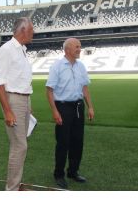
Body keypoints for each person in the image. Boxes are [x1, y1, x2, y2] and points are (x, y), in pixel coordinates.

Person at [46, 38, 94, 189]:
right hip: (63, 107)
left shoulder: (81, 66)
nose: (80, 49)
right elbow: (49, 90)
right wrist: (54, 111)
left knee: (77, 142)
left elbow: (85, 88)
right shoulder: (57, 66)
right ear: (67, 49)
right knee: (63, 143)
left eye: (80, 46)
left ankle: (73, 171)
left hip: (79, 107)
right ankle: (59, 174)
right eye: (77, 47)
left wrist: (90, 107)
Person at [0, 17, 34, 191]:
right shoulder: (7, 50)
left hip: (23, 99)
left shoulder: (22, 50)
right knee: (20, 146)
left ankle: (16, 185)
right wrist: (8, 110)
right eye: (31, 30)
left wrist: (28, 105)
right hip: (13, 100)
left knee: (20, 145)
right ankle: (12, 189)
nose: (33, 33)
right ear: (22, 30)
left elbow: (21, 79)